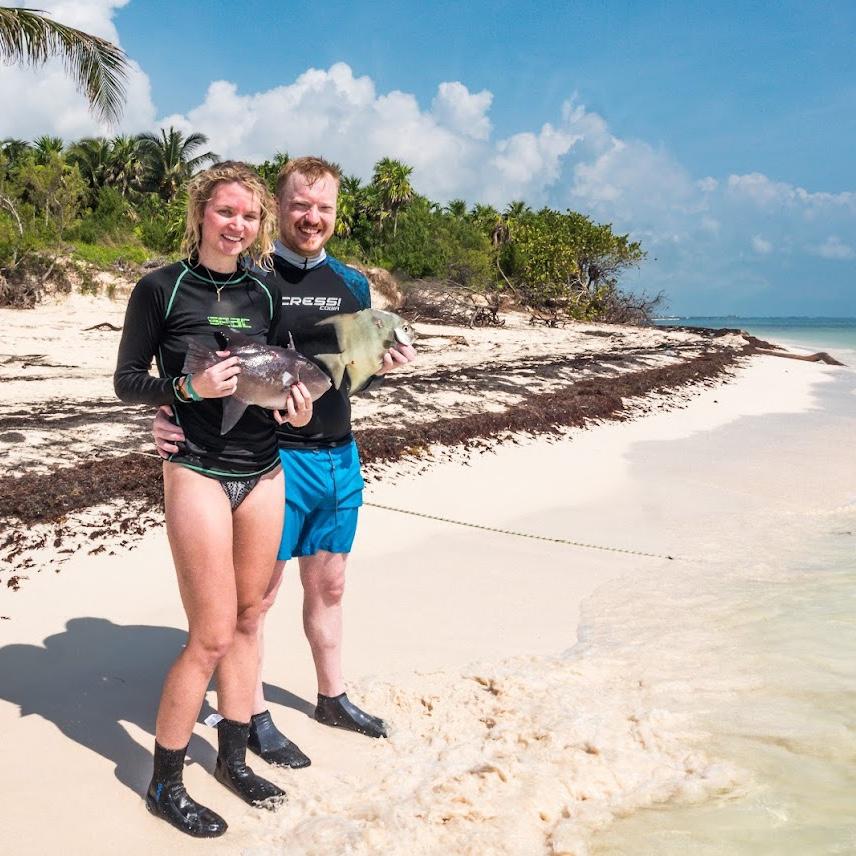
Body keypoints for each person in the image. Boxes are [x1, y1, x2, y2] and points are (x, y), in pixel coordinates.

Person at [153, 156, 417, 767]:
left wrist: (382, 367)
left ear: (336, 212)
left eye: (324, 207)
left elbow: (353, 376)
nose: (312, 217)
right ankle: (252, 715)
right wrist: (168, 410)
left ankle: (332, 697)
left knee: (331, 582)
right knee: (258, 599)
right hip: (274, 459)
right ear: (280, 206)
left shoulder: (352, 284)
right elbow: (213, 357)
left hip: (338, 452)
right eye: (300, 204)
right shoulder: (256, 278)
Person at [115, 161, 313, 837]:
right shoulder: (161, 288)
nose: (237, 225)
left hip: (263, 468)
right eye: (226, 211)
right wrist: (184, 392)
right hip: (196, 468)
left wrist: (293, 409)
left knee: (251, 618)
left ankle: (232, 760)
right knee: (210, 633)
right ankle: (163, 784)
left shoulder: (265, 290)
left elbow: (279, 378)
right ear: (201, 212)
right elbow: (126, 381)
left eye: (250, 216)